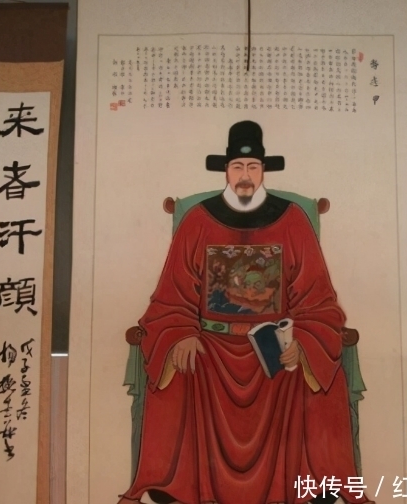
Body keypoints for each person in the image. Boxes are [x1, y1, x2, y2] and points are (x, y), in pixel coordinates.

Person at [117, 121, 372, 504]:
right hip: (210, 349)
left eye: (253, 167)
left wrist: (303, 342)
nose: (245, 176)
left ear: (263, 170)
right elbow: (172, 294)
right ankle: (178, 487)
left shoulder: (293, 220)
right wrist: (182, 332)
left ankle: (309, 488)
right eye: (238, 167)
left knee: (314, 371)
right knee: (179, 363)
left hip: (275, 347)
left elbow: (317, 298)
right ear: (226, 170)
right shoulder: (198, 220)